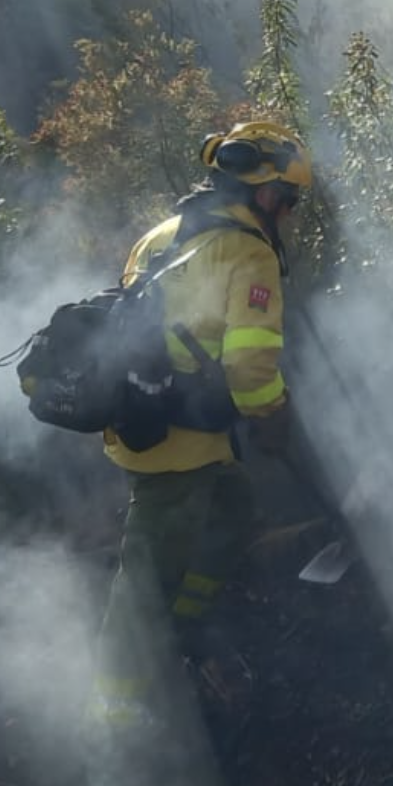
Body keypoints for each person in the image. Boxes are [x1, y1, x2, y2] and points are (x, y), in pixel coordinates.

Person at [88, 119, 309, 734]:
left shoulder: (161, 236)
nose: (289, 215)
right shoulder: (247, 251)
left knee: (234, 508)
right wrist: (273, 415)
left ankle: (185, 621)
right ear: (266, 195)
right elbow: (248, 363)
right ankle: (118, 712)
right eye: (289, 202)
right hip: (177, 439)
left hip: (146, 419)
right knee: (146, 573)